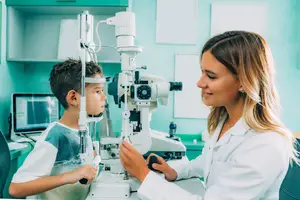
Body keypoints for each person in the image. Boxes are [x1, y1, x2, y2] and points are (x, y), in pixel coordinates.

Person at [119, 31, 298, 200]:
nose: (199, 83)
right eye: (202, 72)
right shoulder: (225, 120)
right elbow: (209, 161)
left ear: (244, 82)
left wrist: (144, 174)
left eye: (211, 76)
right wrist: (175, 171)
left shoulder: (265, 144)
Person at [9, 59, 106, 200]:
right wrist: (71, 176)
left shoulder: (82, 128)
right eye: (97, 91)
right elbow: (16, 188)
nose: (104, 97)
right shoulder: (55, 135)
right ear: (73, 98)